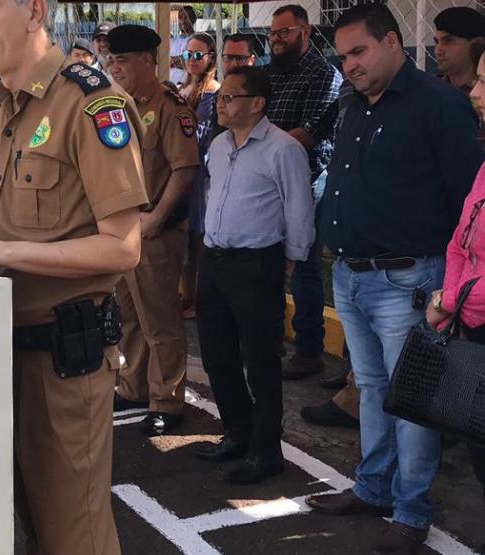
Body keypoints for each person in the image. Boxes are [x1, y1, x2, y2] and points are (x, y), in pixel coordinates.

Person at [0, 0, 149, 549]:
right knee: (28, 529)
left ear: (35, 11)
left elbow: (122, 248)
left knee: (73, 535)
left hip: (63, 364)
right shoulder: (6, 109)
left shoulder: (90, 104)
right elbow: (0, 228)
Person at [305, 6, 483, 554]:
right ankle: (374, 487)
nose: (349, 65)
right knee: (373, 390)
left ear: (391, 42)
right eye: (343, 56)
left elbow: (466, 204)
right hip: (352, 276)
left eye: (359, 52)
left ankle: (410, 510)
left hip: (407, 280)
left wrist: (448, 290)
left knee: (412, 399)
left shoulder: (440, 106)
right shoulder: (352, 105)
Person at [192, 66, 314, 486]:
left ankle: (266, 451)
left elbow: (299, 208)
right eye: (221, 98)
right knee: (216, 354)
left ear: (257, 103)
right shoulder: (220, 143)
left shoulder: (283, 149)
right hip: (215, 259)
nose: (221, 104)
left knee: (260, 361)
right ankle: (237, 433)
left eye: (230, 98)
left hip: (257, 263)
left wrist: (292, 259)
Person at [107, 24, 200, 436]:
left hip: (154, 231)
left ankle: (168, 400)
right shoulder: (119, 105)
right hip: (124, 230)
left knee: (160, 321)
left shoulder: (170, 107)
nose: (115, 67)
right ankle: (134, 386)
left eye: (122, 60)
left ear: (147, 59)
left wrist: (158, 218)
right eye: (111, 60)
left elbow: (184, 168)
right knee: (130, 315)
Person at [265, 4, 343, 380]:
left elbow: (305, 136)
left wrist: (258, 146)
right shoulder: (270, 72)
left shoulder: (324, 75)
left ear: (306, 31)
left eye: (284, 32)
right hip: (264, 185)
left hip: (304, 182)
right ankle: (270, 340)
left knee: (304, 269)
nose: (277, 39)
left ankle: (309, 351)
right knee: (264, 264)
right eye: (273, 33)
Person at [431, 47, 485, 552]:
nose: (474, 93)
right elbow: (461, 240)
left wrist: (456, 297)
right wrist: (451, 296)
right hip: (470, 325)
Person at [177, 32, 220, 320]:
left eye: (198, 55)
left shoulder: (214, 94)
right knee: (186, 238)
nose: (192, 60)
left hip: (203, 174)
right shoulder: (183, 89)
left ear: (210, 58)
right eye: (188, 55)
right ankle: (188, 294)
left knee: (200, 239)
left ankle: (203, 298)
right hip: (184, 172)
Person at [434, 7, 485, 94]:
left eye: (448, 41)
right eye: (436, 42)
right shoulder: (430, 90)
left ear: (477, 43)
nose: (438, 51)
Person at [169, 5, 197, 85]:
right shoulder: (172, 41)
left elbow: (190, 64)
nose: (183, 21)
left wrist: (172, 61)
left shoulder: (197, 40)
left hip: (188, 86)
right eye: (180, 17)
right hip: (170, 86)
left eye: (187, 17)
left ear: (193, 19)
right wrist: (182, 58)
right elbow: (164, 61)